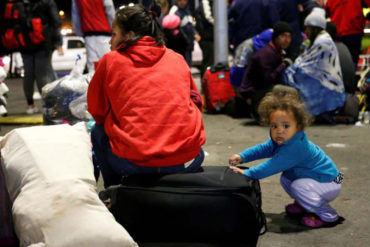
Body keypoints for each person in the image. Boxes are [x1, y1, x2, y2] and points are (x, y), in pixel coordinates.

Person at [87, 4, 206, 188]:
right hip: (183, 161)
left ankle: (115, 193)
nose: (110, 42)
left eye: (114, 35)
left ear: (129, 35)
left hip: (132, 163)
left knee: (98, 131)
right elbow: (197, 102)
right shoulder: (177, 58)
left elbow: (97, 112)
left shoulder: (111, 60)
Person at [228, 91, 343, 228]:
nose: (279, 131)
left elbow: (271, 166)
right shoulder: (282, 140)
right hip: (321, 178)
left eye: (286, 126)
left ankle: (327, 215)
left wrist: (248, 173)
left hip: (330, 181)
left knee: (298, 186)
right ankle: (304, 204)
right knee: (286, 178)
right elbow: (263, 149)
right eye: (274, 126)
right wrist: (243, 156)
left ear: (299, 126)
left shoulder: (296, 147)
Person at [281, 8, 345, 123]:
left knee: (292, 75)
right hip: (327, 81)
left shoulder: (322, 42)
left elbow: (305, 64)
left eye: (308, 28)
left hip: (328, 85)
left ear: (314, 28)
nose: (306, 32)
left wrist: (290, 68)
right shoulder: (321, 39)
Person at [240, 21, 293, 120]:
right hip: (254, 93)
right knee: (289, 92)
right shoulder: (267, 53)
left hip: (261, 89)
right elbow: (268, 79)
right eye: (283, 36)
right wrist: (283, 65)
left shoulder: (276, 51)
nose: (287, 40)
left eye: (289, 37)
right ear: (276, 37)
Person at [22, 0, 61, 114]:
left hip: (25, 42)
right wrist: (55, 41)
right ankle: (46, 105)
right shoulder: (47, 2)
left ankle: (30, 105)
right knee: (42, 74)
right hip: (43, 41)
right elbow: (56, 21)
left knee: (28, 74)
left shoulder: (23, 3)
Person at [72, 0, 115, 72]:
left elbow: (75, 16)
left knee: (93, 69)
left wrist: (80, 33)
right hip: (105, 34)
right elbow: (110, 10)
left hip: (88, 36)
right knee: (109, 66)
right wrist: (114, 29)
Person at [325, 0, 370, 67]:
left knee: (340, 62)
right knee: (352, 61)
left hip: (341, 33)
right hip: (353, 31)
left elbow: (325, 12)